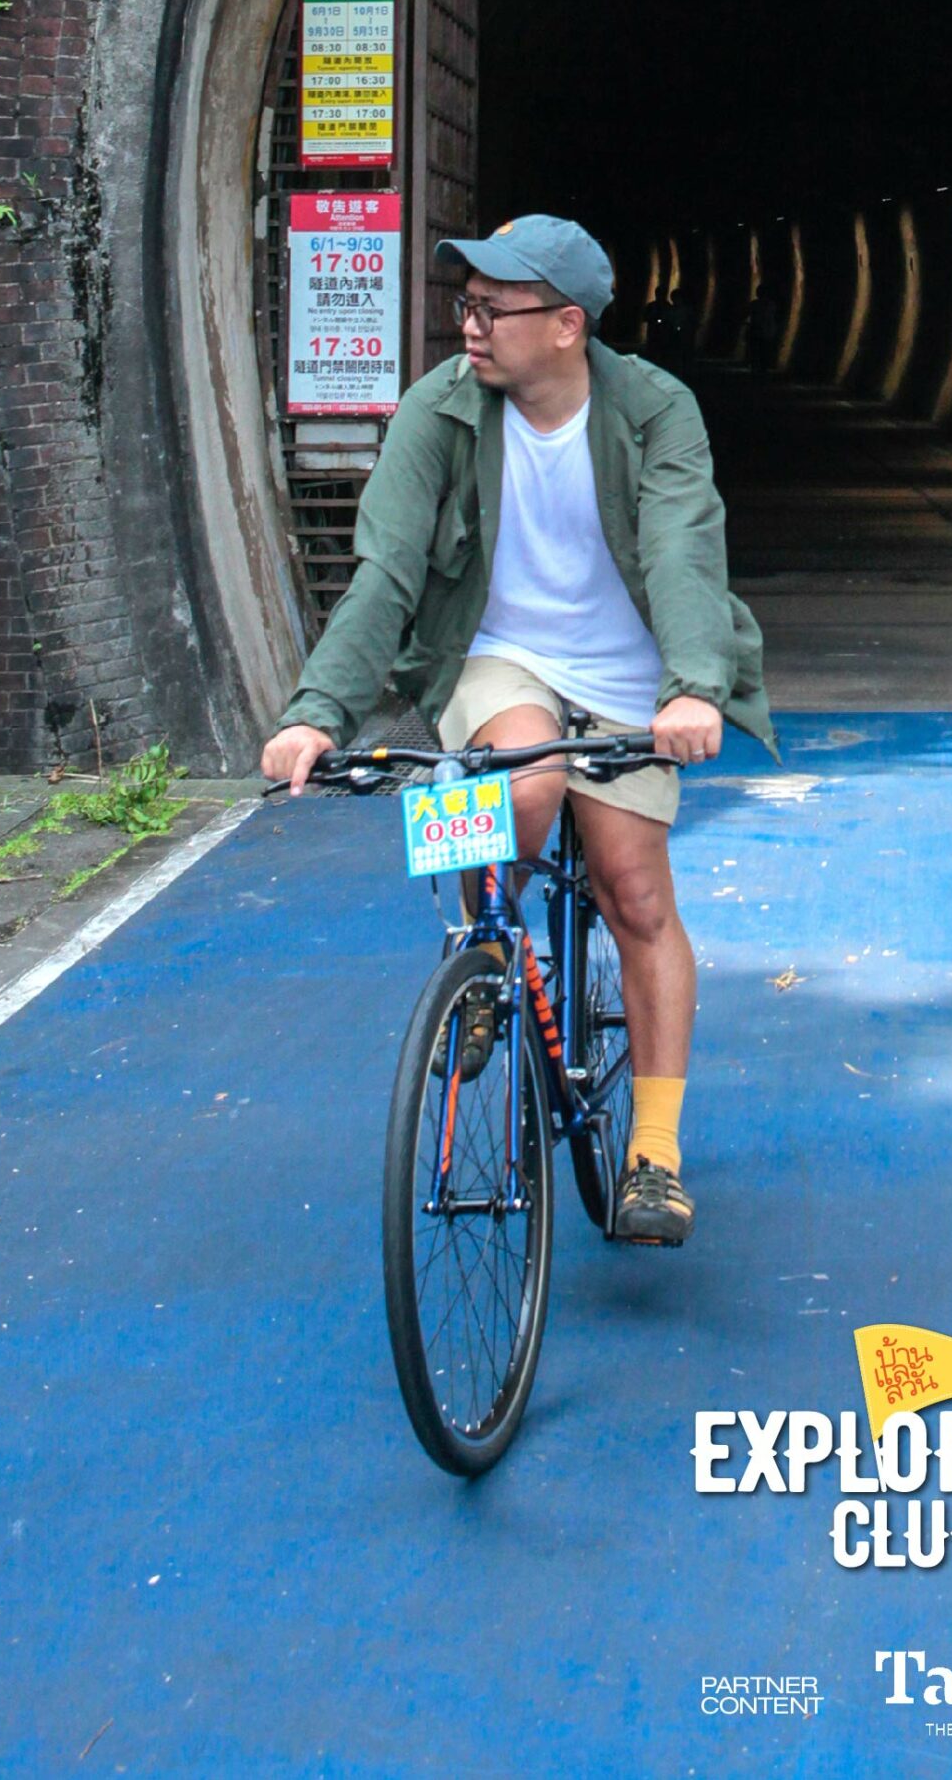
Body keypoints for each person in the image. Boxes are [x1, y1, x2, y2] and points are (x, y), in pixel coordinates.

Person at [260, 212, 773, 1249]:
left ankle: (655, 1154)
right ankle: (486, 959)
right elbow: (388, 576)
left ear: (567, 326)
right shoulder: (436, 414)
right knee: (521, 786)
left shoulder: (653, 409)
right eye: (467, 304)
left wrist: (693, 690)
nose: (472, 325)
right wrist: (317, 714)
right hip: (496, 653)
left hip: (632, 665)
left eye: (496, 307)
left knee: (633, 892)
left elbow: (680, 553)